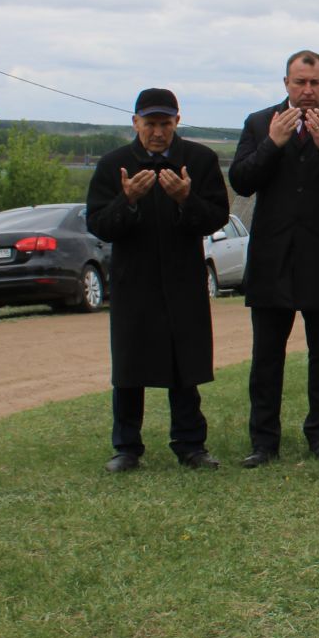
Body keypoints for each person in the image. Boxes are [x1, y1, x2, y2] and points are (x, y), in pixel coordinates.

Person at [229, 50, 319, 465]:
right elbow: (241, 180)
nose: (307, 90)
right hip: (272, 258)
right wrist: (273, 144)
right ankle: (263, 442)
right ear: (286, 84)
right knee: (266, 359)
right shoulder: (260, 124)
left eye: (315, 83)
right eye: (300, 82)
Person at [86, 87, 232, 472]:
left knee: (184, 363)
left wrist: (187, 199)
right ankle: (126, 448)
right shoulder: (114, 165)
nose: (157, 132)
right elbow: (98, 224)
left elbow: (217, 216)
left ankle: (190, 445)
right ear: (135, 123)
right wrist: (127, 200)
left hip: (183, 278)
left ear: (177, 122)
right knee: (130, 366)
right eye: (149, 123)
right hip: (134, 281)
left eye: (165, 123)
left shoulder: (199, 160)